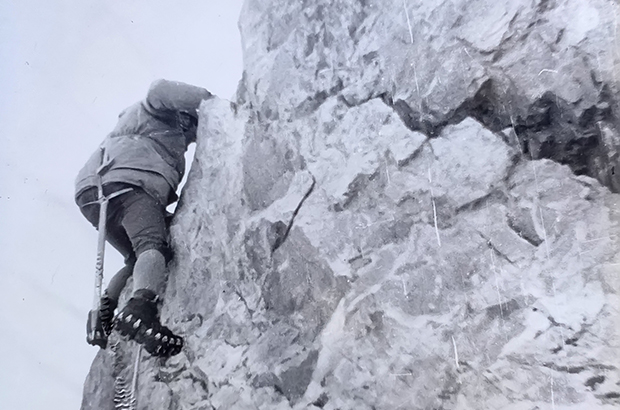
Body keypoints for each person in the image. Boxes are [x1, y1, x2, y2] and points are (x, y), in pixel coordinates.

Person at [75, 79, 213, 357]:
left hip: (92, 193)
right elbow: (158, 89)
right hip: (130, 182)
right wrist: (208, 101)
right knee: (152, 245)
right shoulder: (158, 112)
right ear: (184, 117)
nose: (189, 138)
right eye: (190, 129)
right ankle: (140, 309)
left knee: (137, 259)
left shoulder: (131, 127)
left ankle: (104, 313)